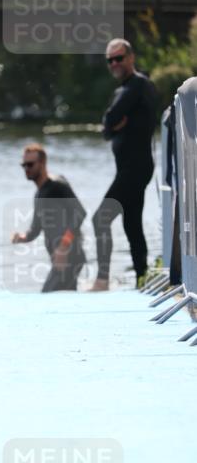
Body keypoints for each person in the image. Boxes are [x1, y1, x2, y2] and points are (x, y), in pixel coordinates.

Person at [90, 38, 158, 290]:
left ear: (131, 58)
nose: (115, 64)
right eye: (110, 60)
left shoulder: (138, 85)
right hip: (130, 169)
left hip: (135, 168)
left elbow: (109, 119)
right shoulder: (124, 90)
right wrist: (112, 126)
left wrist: (112, 125)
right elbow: (107, 128)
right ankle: (142, 278)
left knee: (101, 219)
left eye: (119, 58)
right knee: (132, 223)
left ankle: (102, 280)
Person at [12, 144, 86, 292]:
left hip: (70, 256)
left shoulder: (57, 185)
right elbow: (35, 229)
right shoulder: (39, 195)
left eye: (30, 164)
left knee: (47, 295)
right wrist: (22, 237)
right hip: (59, 260)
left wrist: (63, 246)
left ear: (43, 164)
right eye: (24, 165)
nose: (26, 168)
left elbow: (79, 213)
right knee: (64, 303)